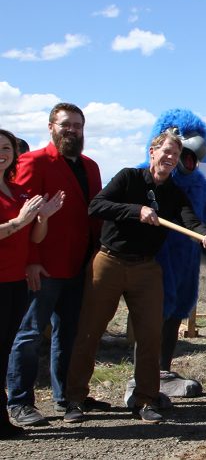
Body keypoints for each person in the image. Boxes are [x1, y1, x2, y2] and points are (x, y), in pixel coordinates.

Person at [64, 132, 206, 424]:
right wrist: (136, 210)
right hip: (109, 261)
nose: (170, 159)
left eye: (175, 155)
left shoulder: (174, 193)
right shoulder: (128, 178)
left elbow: (191, 220)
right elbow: (96, 206)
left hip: (146, 269)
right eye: (166, 152)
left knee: (150, 335)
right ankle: (74, 399)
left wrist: (205, 235)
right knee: (89, 331)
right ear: (152, 152)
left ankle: (145, 399)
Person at [7, 103, 104, 428]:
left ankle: (66, 398)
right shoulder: (33, 162)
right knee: (30, 333)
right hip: (43, 268)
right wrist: (31, 261)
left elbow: (94, 215)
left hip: (78, 266)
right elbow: (23, 217)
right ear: (51, 127)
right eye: (66, 125)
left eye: (78, 126)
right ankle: (20, 401)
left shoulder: (90, 166)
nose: (72, 131)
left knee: (69, 335)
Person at [143, 109, 206, 400]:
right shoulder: (147, 177)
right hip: (155, 259)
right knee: (153, 316)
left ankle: (163, 371)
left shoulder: (197, 182)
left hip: (186, 260)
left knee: (175, 315)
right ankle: (144, 378)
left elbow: (205, 218)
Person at [1, 129, 63, 438]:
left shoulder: (17, 191)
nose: (3, 153)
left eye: (7, 148)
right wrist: (19, 221)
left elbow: (34, 237)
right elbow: (12, 228)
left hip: (16, 280)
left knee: (7, 344)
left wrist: (42, 218)